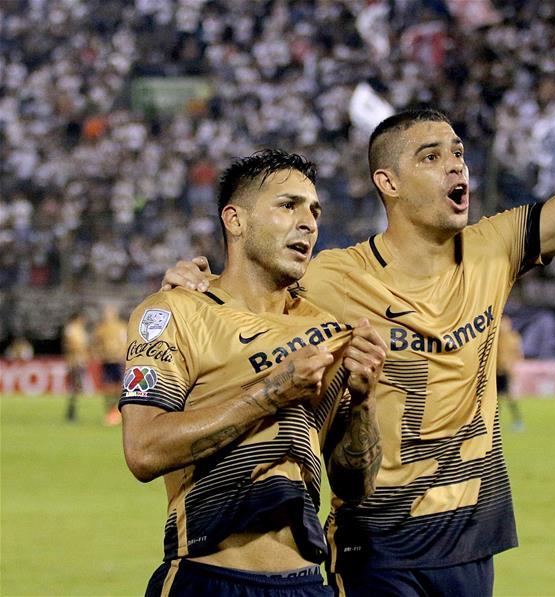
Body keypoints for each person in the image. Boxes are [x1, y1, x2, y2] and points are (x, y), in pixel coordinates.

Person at [163, 14, 555, 595]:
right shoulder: (330, 278)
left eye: (458, 152)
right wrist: (191, 281)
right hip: (375, 543)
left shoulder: (494, 247)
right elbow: (242, 297)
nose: (457, 163)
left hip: (472, 539)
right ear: (389, 183)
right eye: (431, 156)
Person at [122, 149, 386, 596]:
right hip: (206, 579)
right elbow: (143, 451)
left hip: (306, 584)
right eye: (288, 205)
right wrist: (271, 393)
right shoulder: (173, 313)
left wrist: (363, 401)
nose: (309, 221)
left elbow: (354, 485)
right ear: (235, 220)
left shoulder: (328, 332)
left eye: (314, 210)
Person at [93, 304, 128, 425]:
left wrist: (123, 354)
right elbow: (96, 343)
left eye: (110, 314)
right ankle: (110, 411)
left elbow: (126, 342)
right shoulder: (101, 328)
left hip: (118, 361)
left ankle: (118, 412)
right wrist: (98, 353)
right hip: (106, 361)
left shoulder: (121, 327)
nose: (108, 316)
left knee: (119, 387)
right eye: (106, 314)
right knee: (107, 387)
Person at [497, 316, 524, 432]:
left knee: (510, 398)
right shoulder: (494, 338)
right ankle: (494, 423)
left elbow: (519, 354)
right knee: (495, 399)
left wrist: (513, 366)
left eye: (505, 324)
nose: (503, 326)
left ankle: (518, 421)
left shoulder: (513, 338)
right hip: (495, 372)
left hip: (507, 372)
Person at [63, 311, 90, 422]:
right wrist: (79, 349)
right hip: (74, 361)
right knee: (75, 387)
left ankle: (72, 411)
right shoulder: (71, 329)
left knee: (77, 388)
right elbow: (69, 344)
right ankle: (71, 412)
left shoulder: (80, 330)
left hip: (81, 361)